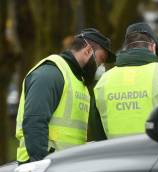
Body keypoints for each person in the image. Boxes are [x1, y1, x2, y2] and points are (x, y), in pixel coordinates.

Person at [16, 28, 116, 164]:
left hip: (63, 167)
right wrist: (40, 167)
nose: (101, 67)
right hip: (42, 168)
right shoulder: (50, 74)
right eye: (101, 59)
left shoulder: (79, 82)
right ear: (87, 51)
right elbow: (34, 123)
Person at [93, 22, 158, 140]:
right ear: (152, 47)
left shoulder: (104, 81)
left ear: (126, 48)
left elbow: (98, 134)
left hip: (116, 156)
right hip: (157, 156)